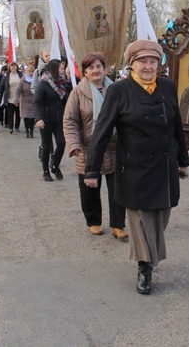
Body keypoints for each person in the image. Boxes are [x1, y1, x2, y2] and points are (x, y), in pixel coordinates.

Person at [85, 40, 189, 295]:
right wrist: (91, 170)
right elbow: (102, 131)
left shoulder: (167, 86)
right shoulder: (119, 91)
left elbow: (176, 125)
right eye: (143, 61)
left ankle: (149, 255)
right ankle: (144, 267)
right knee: (141, 220)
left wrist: (183, 160)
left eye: (153, 61)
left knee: (161, 217)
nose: (148, 66)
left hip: (164, 168)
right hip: (134, 168)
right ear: (132, 64)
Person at [63, 52, 128, 240]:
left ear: (105, 69)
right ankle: (94, 221)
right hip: (88, 148)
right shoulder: (77, 93)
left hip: (114, 148)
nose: (95, 70)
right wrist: (74, 144)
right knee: (90, 190)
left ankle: (118, 225)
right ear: (84, 72)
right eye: (91, 67)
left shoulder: (117, 90)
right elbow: (70, 121)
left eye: (99, 66)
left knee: (118, 188)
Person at [33, 59, 69, 181]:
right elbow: (36, 103)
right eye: (61, 69)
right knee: (46, 146)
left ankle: (55, 165)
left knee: (62, 143)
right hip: (45, 119)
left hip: (59, 118)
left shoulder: (62, 83)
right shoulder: (42, 84)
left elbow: (66, 100)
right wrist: (38, 118)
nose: (63, 71)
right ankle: (46, 171)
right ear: (54, 70)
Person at [0, 61, 23, 134]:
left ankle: (17, 127)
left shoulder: (20, 74)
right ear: (9, 68)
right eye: (12, 66)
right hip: (10, 97)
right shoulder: (6, 75)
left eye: (14, 66)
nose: (13, 68)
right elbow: (2, 86)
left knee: (18, 114)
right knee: (10, 113)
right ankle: (11, 128)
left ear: (17, 67)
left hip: (19, 97)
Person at [15, 64, 36, 138]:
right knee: (26, 117)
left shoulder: (36, 80)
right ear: (26, 72)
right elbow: (18, 90)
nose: (31, 73)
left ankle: (32, 132)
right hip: (25, 101)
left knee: (33, 118)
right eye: (30, 72)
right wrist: (16, 99)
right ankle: (27, 131)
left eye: (32, 72)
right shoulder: (22, 80)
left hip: (34, 100)